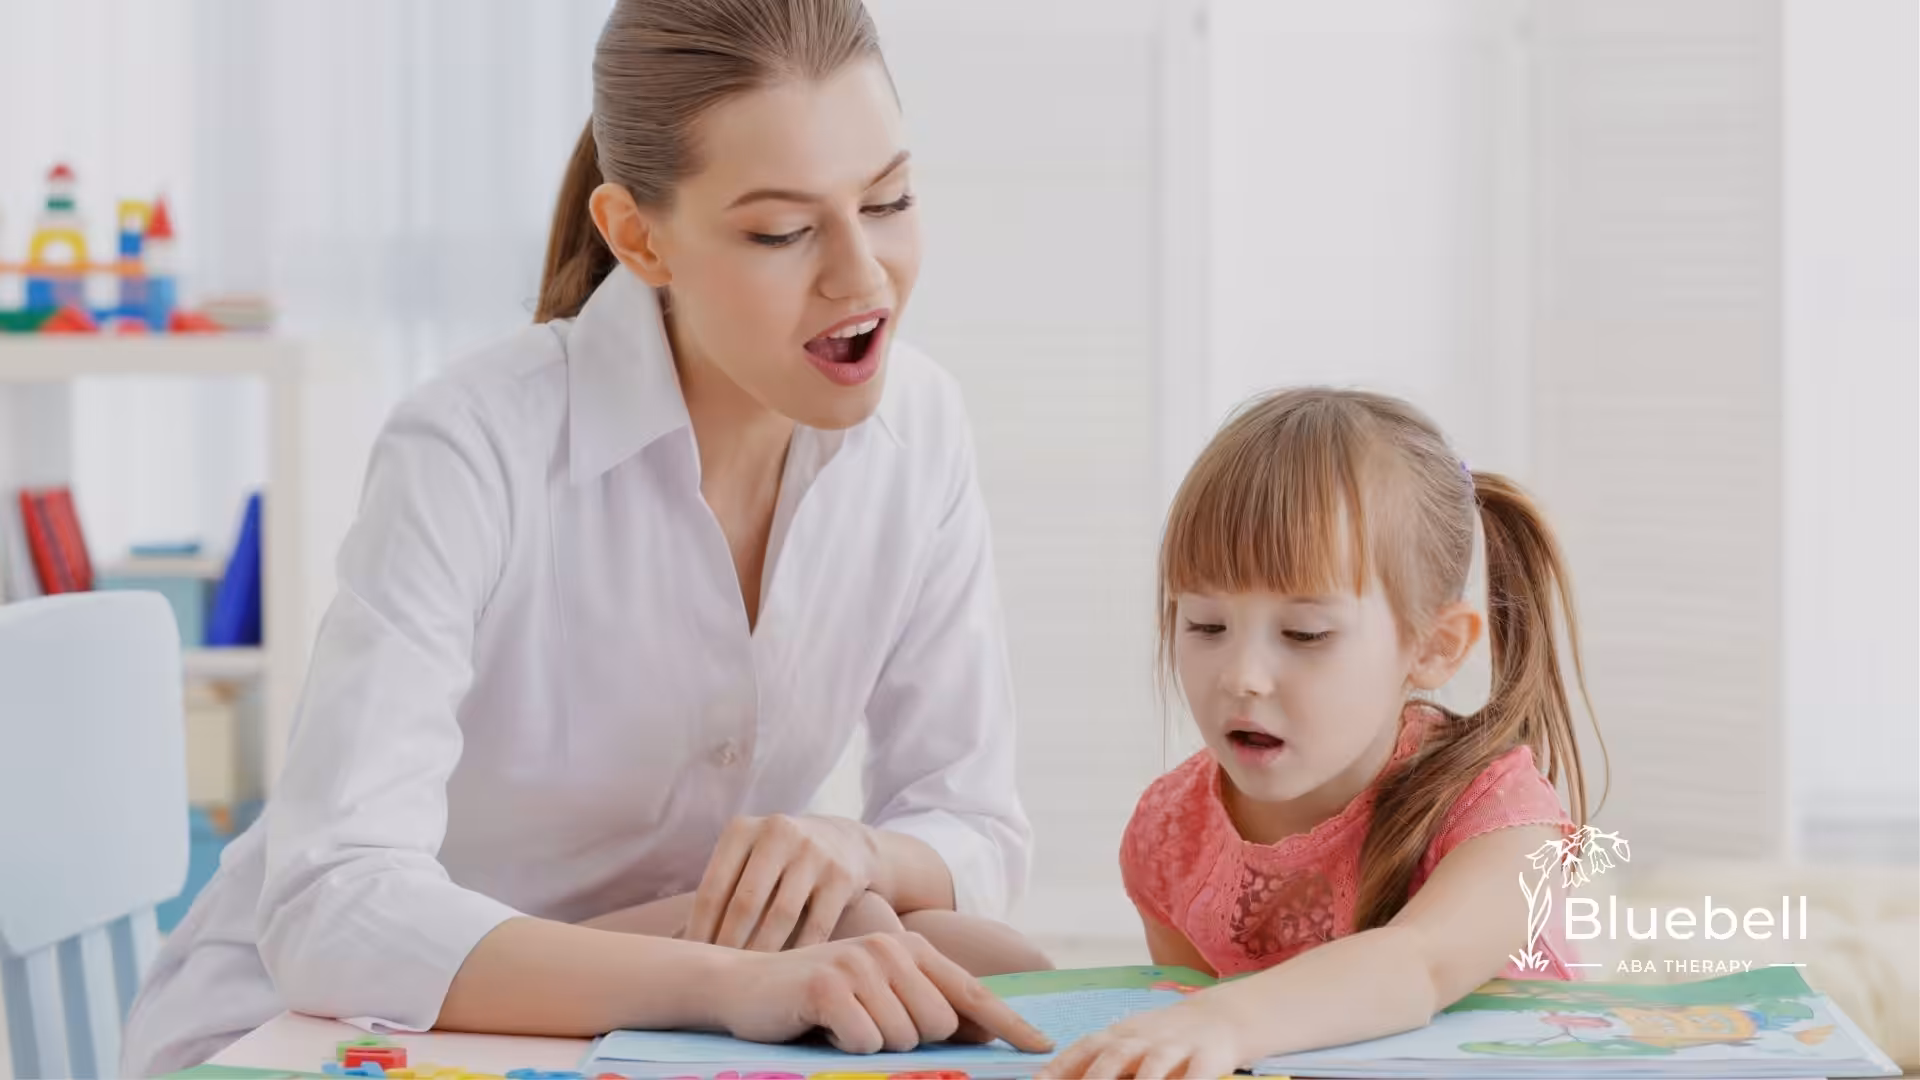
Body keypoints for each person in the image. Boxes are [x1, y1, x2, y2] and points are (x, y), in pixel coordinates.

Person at [122, 1, 1054, 1074]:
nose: (864, 276)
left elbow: (975, 827)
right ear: (639, 237)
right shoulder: (474, 446)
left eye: (887, 199)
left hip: (641, 1023)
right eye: (783, 232)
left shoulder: (920, 433)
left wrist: (859, 849)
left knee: (955, 949)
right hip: (325, 1027)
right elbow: (336, 907)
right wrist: (735, 985)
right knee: (873, 945)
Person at [1041, 388, 1600, 1079]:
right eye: (1206, 625)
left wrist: (1226, 1019)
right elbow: (1197, 1048)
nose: (1243, 676)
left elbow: (1417, 964)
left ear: (1433, 646)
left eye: (1305, 634)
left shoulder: (1501, 814)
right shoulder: (1169, 834)